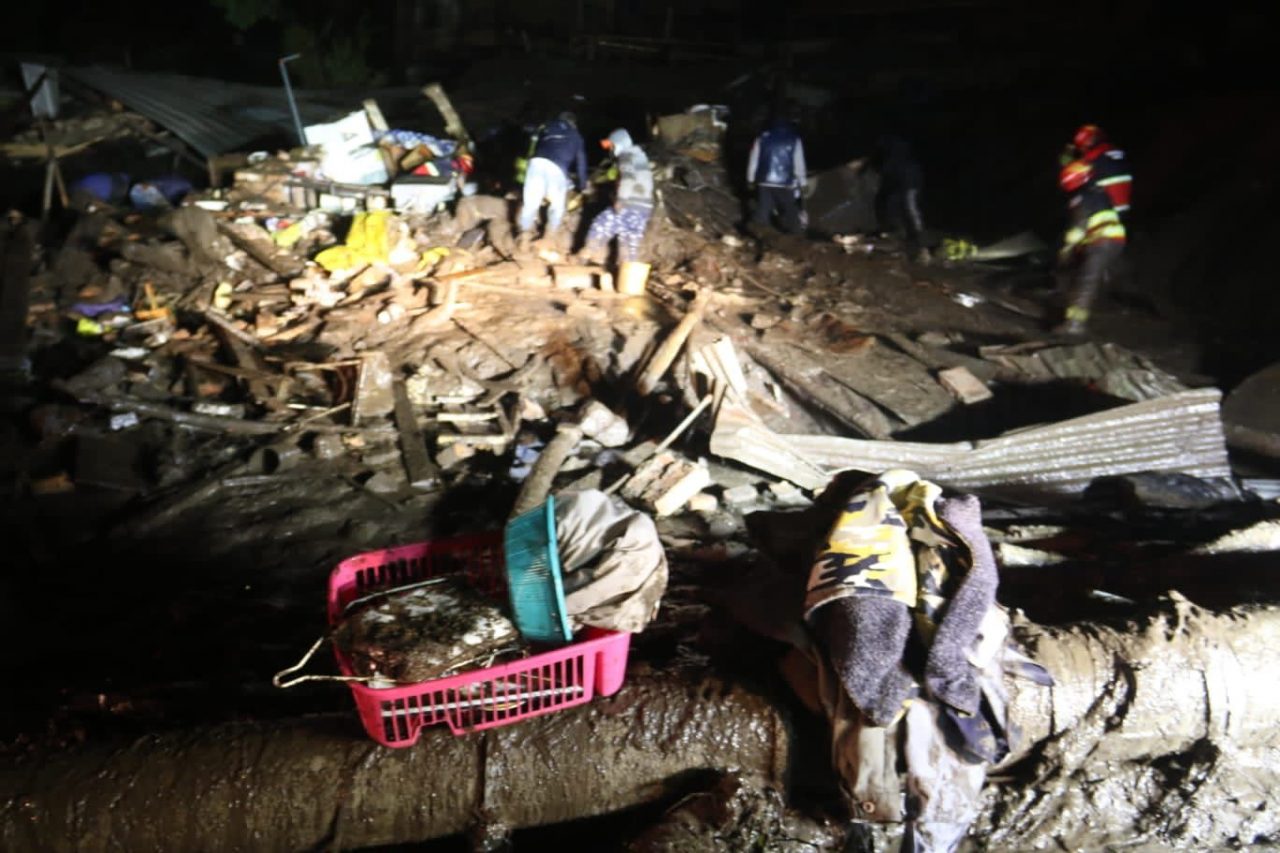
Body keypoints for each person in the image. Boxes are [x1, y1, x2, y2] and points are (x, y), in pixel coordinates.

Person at [1054, 159, 1126, 335]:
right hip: (1114, 241)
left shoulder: (1082, 198)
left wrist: (1067, 249)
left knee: (1086, 281)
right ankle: (1075, 319)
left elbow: (1079, 228)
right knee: (1088, 280)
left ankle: (1074, 325)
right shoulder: (1098, 192)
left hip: (1102, 241)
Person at [580, 128, 654, 264]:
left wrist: (621, 200)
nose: (611, 149)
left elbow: (628, 179)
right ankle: (628, 277)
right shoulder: (640, 157)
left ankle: (583, 257)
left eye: (612, 145)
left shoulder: (626, 156)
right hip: (644, 208)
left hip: (630, 203)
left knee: (601, 224)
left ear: (620, 144)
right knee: (629, 244)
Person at [517, 111, 588, 251]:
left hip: (535, 163)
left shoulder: (547, 127)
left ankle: (524, 239)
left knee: (530, 203)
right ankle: (548, 239)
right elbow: (581, 163)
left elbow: (534, 144)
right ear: (573, 123)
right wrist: (582, 185)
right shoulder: (576, 136)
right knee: (557, 206)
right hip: (557, 168)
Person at [746, 113, 806, 234]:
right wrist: (803, 182)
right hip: (785, 182)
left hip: (764, 180)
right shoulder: (794, 139)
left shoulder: (762, 138)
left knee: (764, 208)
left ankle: (757, 234)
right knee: (790, 210)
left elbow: (753, 161)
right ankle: (796, 236)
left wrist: (750, 179)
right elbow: (799, 163)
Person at [877, 134, 929, 262]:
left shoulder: (905, 159)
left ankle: (916, 234)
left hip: (910, 185)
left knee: (910, 208)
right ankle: (900, 232)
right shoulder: (895, 158)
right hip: (903, 185)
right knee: (895, 206)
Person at [1062, 124, 1132, 218]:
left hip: (1106, 209)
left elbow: (1069, 179)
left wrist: (1067, 163)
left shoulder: (1093, 155)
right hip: (1124, 207)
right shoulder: (1115, 150)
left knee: (1076, 200)